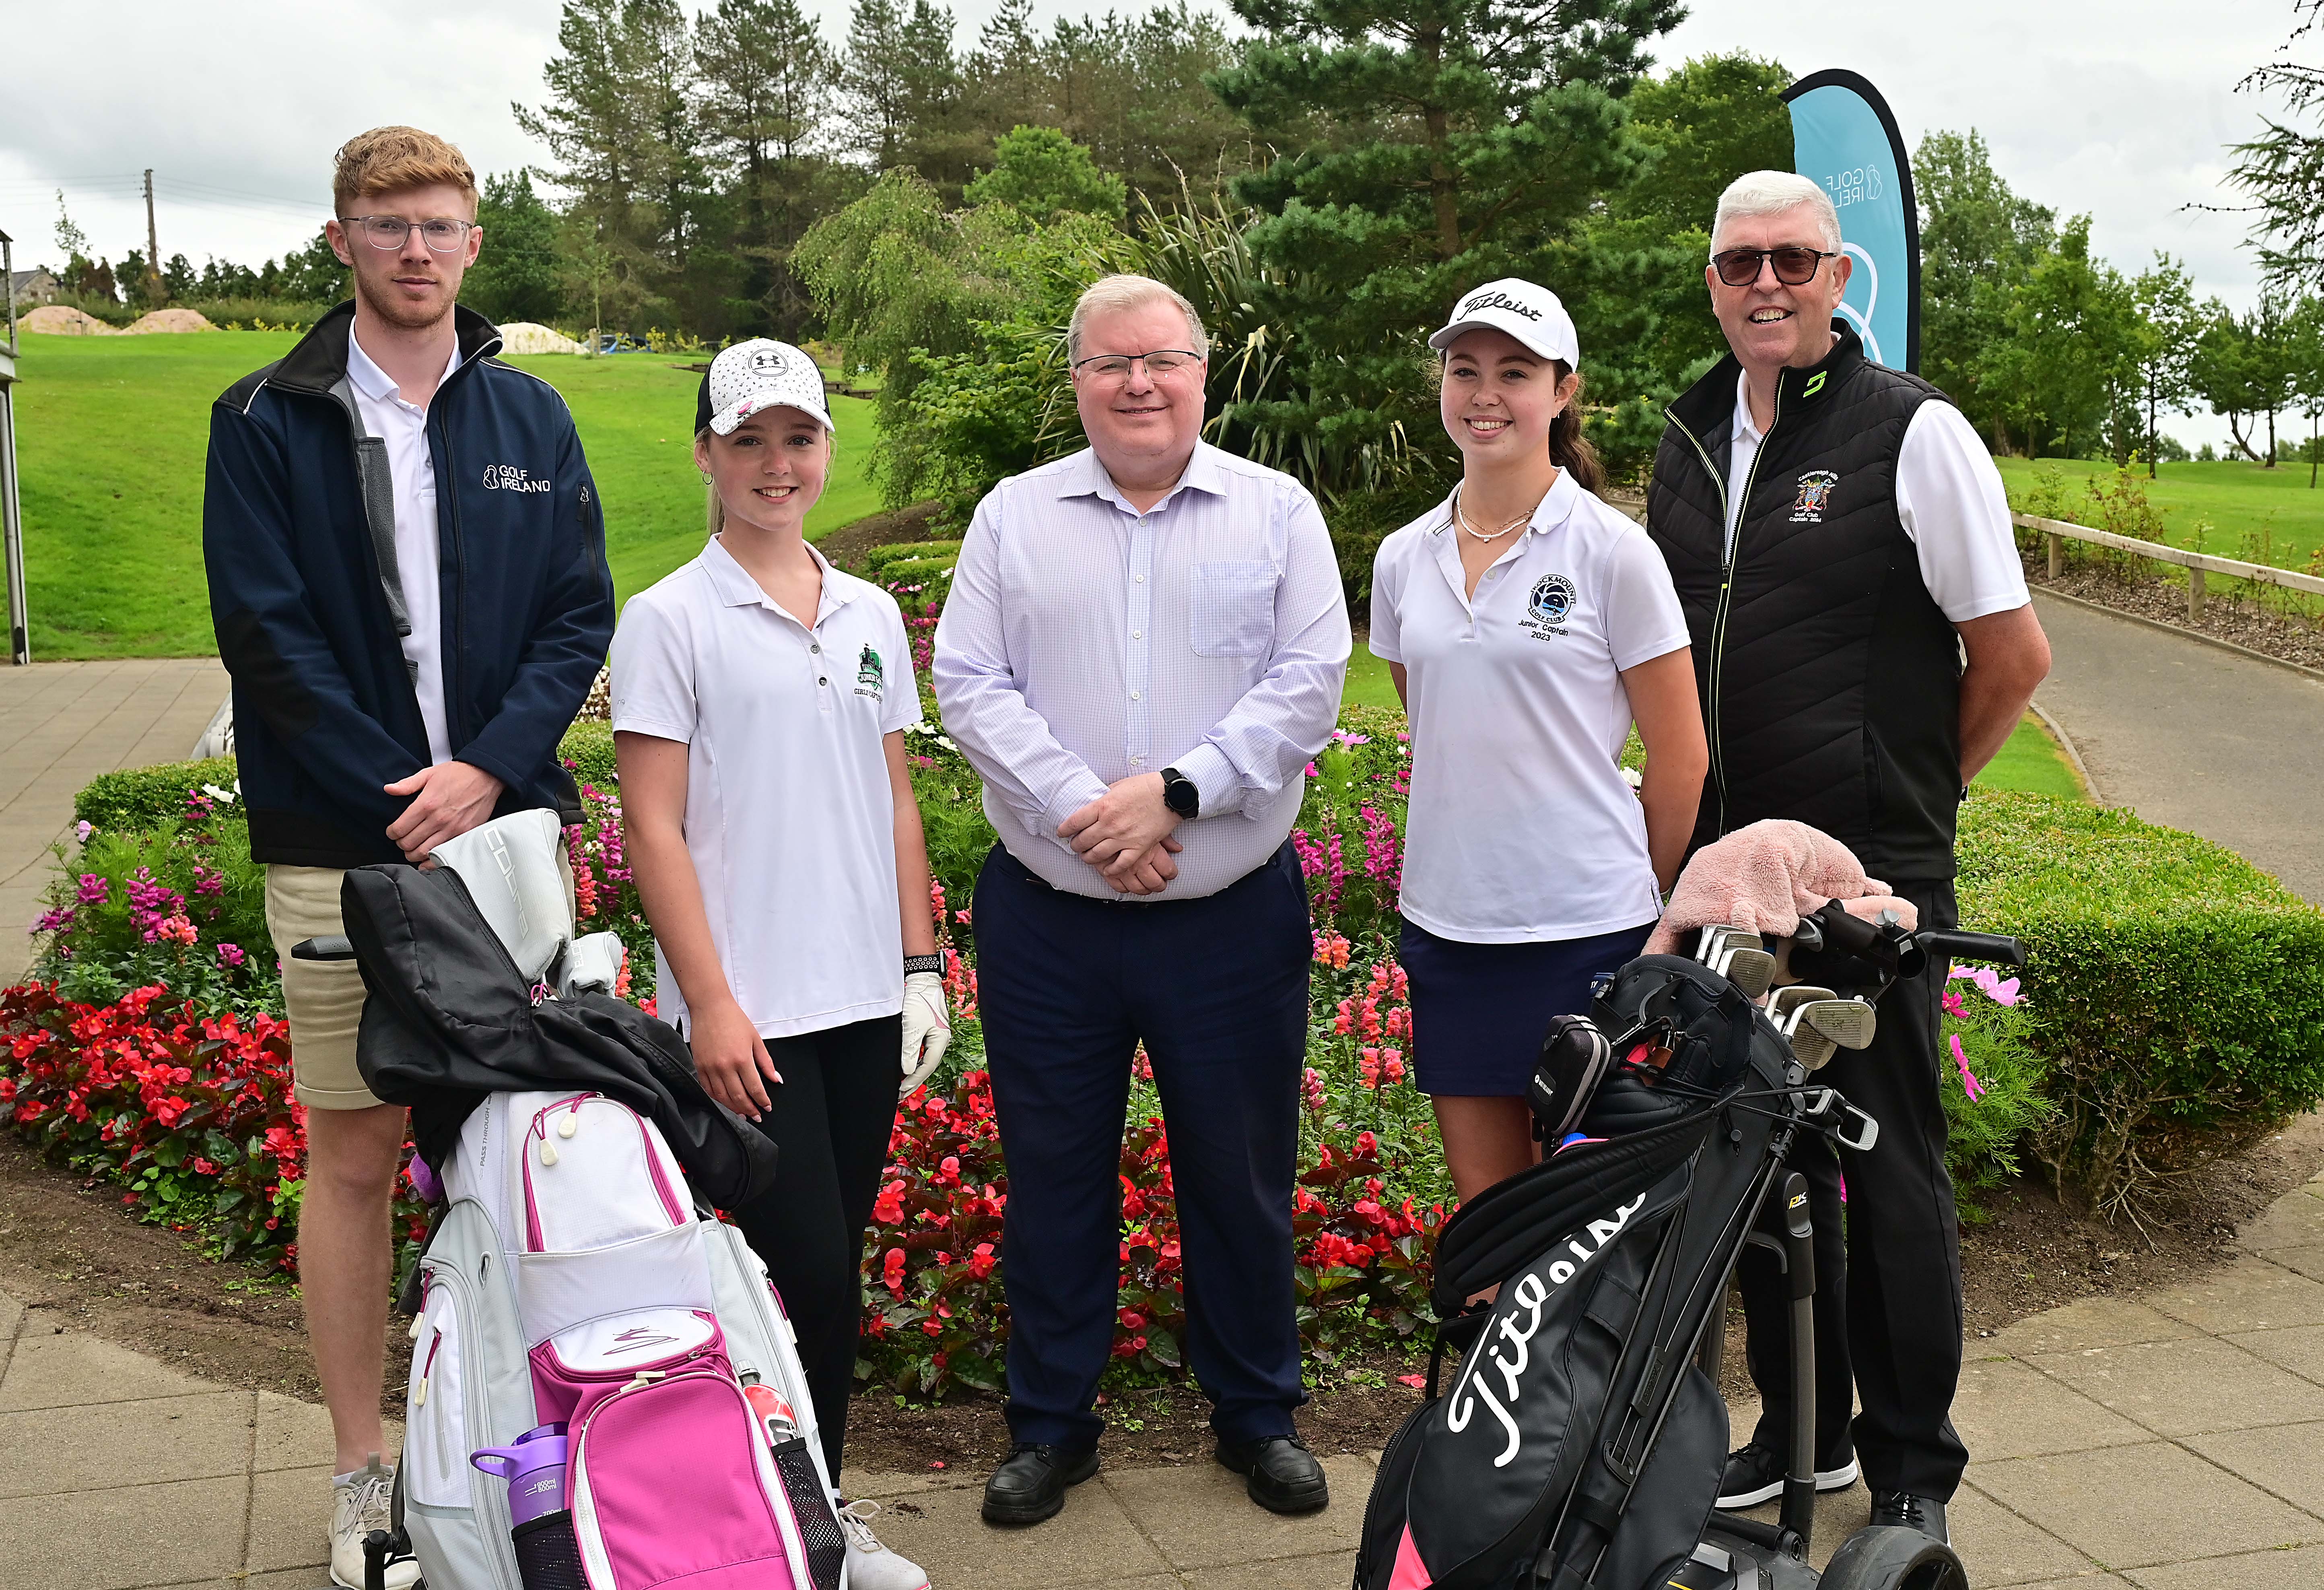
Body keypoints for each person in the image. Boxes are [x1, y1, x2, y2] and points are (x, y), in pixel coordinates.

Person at [201, 126, 614, 1588]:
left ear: (475, 241)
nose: (416, 250)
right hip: (343, 842)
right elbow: (267, 638)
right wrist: (402, 792)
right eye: (388, 227)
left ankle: (530, 1435)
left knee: (522, 1139)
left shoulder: (529, 417)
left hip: (505, 837)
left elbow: (578, 614)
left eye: (439, 225)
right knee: (361, 1152)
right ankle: (361, 1467)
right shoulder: (262, 418)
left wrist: (487, 771)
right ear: (343, 240)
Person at [1647, 171, 2053, 1547]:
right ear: (1709, 281)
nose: (1764, 283)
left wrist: (1904, 815)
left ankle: (1910, 1473)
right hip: (1725, 885)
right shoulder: (1689, 433)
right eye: (1738, 262)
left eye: (1793, 260)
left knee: (1881, 1172)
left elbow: (2009, 659)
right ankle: (1800, 1433)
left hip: (1865, 888)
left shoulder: (1913, 432)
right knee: (1754, 1167)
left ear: (1838, 276)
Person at [932, 273, 1351, 1526]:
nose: (1138, 384)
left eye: (1162, 360)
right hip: (1050, 923)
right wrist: (1089, 810)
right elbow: (968, 679)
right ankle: (1052, 1427)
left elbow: (1311, 680)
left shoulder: (1276, 514)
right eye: (1112, 363)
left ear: (1202, 373)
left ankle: (1255, 1414)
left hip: (1229, 923)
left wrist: (1173, 793)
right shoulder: (1014, 517)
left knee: (1239, 1175)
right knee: (1056, 1179)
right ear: (1078, 380)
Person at [611, 338, 948, 1590]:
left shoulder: (865, 612)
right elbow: (653, 822)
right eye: (746, 440)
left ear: (826, 451)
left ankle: (796, 1510)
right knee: (802, 1274)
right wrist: (707, 1001)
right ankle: (811, 1527)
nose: (775, 464)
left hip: (863, 995)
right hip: (747, 1012)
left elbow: (896, 799)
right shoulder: (670, 619)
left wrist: (921, 966)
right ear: (705, 452)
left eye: (797, 439)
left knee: (826, 1269)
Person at [1371, 279, 1707, 1202]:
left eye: (1512, 372)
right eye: (1463, 369)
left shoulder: (1611, 551)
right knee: (1489, 1217)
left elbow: (1680, 757)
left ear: (1562, 392)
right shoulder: (1403, 557)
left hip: (1588, 930)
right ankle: (1498, 1347)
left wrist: (1633, 895)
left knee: (1592, 1225)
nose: (1483, 393)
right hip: (1449, 926)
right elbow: (1435, 717)